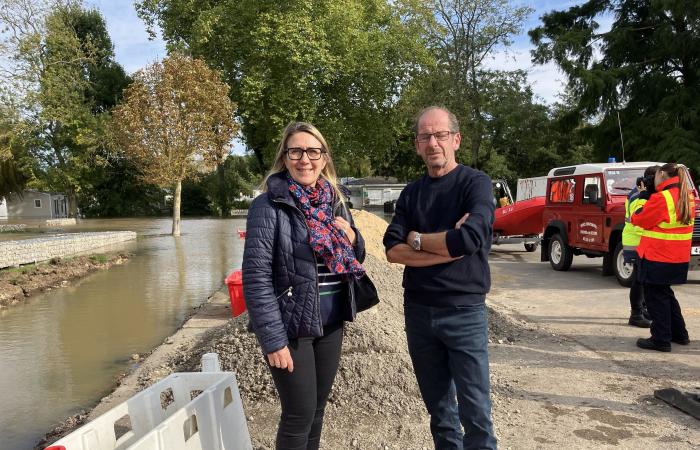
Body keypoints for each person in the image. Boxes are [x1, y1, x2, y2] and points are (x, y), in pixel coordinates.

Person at [242, 122, 366, 449]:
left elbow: (355, 255)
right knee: (298, 414)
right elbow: (255, 279)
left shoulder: (335, 201)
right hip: (292, 326)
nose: (305, 160)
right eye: (295, 151)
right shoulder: (268, 207)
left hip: (331, 322)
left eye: (313, 151)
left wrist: (354, 238)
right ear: (284, 158)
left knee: (317, 411)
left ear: (324, 159)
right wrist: (272, 340)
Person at [383, 106, 497, 449]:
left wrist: (416, 239)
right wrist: (444, 244)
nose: (433, 143)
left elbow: (468, 240)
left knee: (476, 412)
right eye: (425, 137)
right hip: (418, 312)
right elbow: (391, 249)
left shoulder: (475, 184)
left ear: (456, 140)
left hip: (464, 311)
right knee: (440, 411)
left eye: (440, 135)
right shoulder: (412, 193)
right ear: (417, 145)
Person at [631, 163, 695, 352]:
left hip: (657, 256)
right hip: (677, 257)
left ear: (661, 174)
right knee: (666, 295)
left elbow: (638, 219)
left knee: (655, 298)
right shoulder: (687, 196)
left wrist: (643, 198)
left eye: (656, 175)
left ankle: (661, 339)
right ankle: (679, 335)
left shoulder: (662, 198)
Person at [621, 165, 659, 328]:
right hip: (636, 241)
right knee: (639, 280)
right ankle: (636, 314)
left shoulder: (640, 194)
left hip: (638, 240)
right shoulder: (638, 196)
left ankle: (642, 310)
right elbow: (639, 220)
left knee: (642, 280)